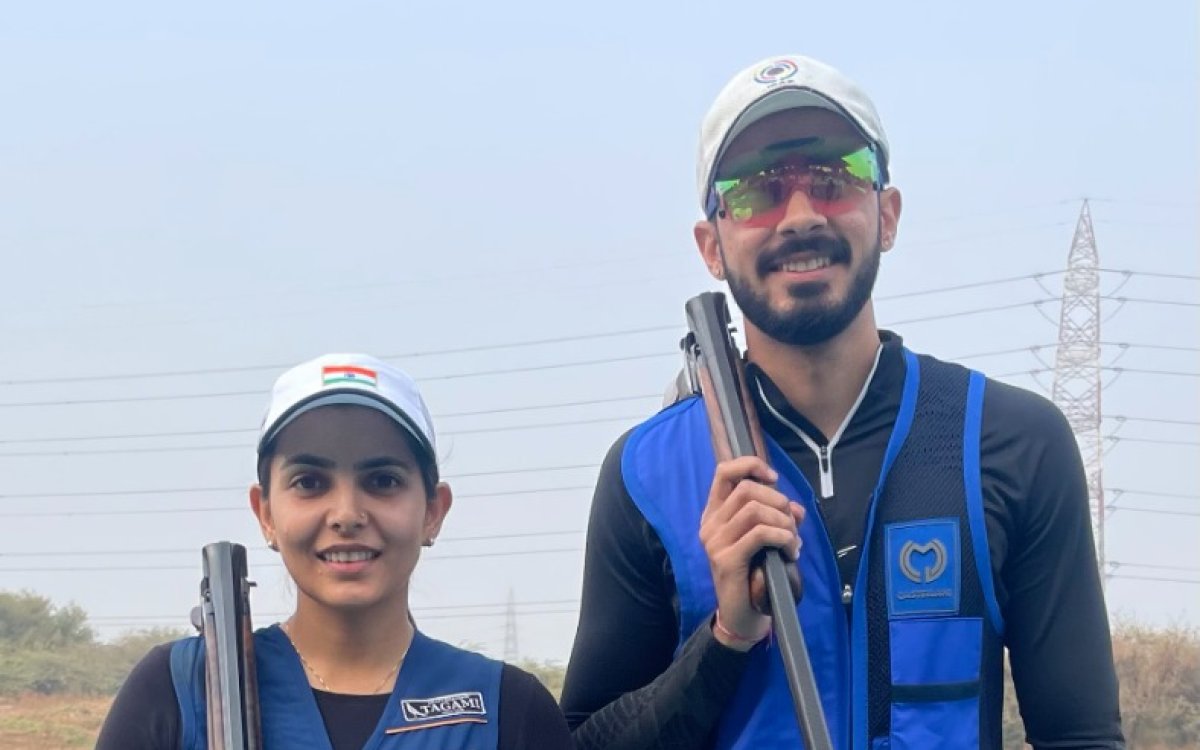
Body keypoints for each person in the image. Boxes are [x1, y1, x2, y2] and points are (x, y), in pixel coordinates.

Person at [560, 54, 1125, 749]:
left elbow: (1082, 737)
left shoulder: (1009, 440)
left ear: (886, 215)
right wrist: (728, 636)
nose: (799, 215)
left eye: (833, 179)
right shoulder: (646, 474)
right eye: (758, 191)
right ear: (712, 245)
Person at [97, 353, 574, 749]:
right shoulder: (180, 689)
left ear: (433, 511)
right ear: (265, 513)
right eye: (310, 482)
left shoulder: (508, 708)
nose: (346, 513)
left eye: (382, 481)